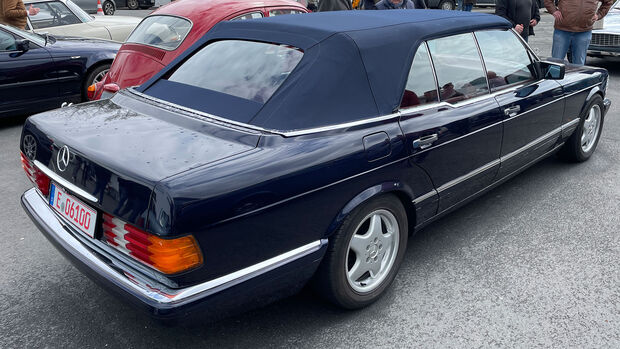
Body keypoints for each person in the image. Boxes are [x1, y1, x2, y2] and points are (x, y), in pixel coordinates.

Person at [544, 0, 614, 65]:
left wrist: (599, 15)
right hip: (563, 29)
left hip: (584, 31)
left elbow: (608, 2)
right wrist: (553, 11)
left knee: (579, 65)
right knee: (556, 63)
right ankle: (554, 78)